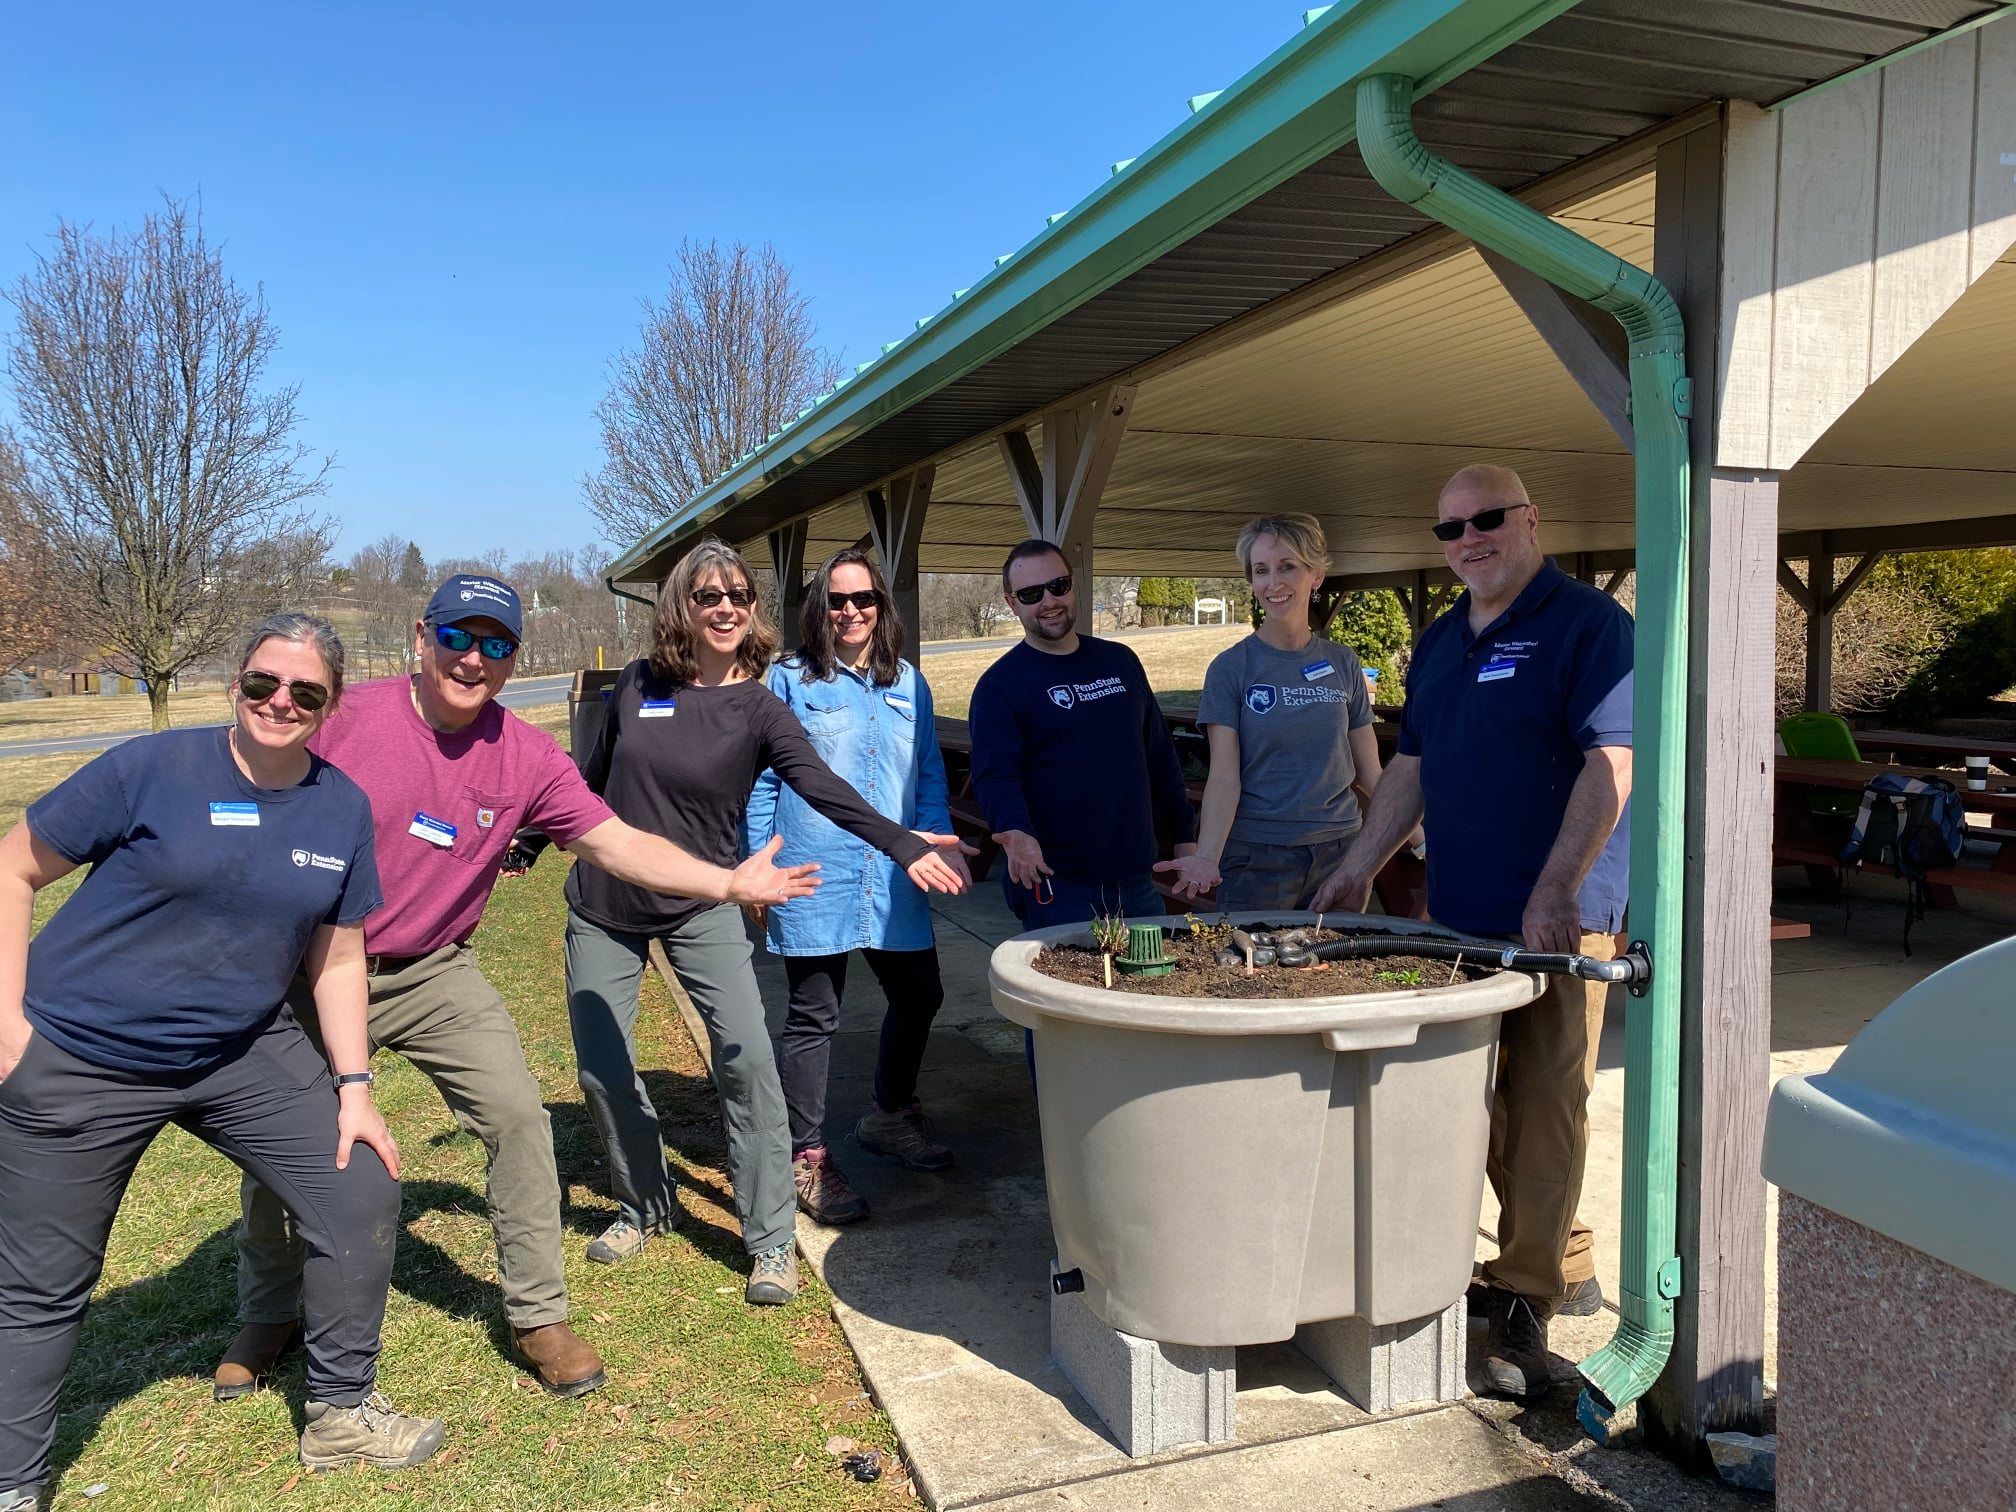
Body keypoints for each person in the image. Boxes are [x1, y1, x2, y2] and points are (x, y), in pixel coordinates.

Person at [221, 575, 818, 1405]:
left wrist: (723, 883)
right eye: (459, 638)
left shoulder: (528, 757)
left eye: (496, 645)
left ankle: (538, 1314)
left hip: (432, 969)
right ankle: (269, 1311)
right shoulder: (349, 714)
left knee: (517, 1118)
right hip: (312, 968)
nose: (474, 659)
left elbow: (616, 843)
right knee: (284, 1139)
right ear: (421, 636)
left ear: (513, 659)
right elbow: (251, 770)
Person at [0, 615, 443, 1500]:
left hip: (240, 1050)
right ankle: (13, 1478)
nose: (281, 702)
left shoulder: (339, 806)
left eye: (305, 693)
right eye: (262, 684)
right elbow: (13, 869)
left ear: (329, 705)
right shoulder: (150, 768)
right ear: (235, 684)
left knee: (359, 1185)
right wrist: (8, 1028)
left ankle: (343, 1413)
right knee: (43, 1284)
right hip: (85, 1052)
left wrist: (354, 1087)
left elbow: (341, 954)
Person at [563, 539, 970, 1305]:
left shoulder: (760, 703)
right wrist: (522, 835)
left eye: (739, 596)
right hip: (607, 900)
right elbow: (590, 782)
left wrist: (903, 840)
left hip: (704, 899)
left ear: (753, 609)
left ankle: (771, 1237)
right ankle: (644, 1202)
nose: (724, 608)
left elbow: (822, 785)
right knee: (603, 1067)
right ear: (682, 604)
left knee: (748, 1060)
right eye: (708, 595)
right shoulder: (638, 684)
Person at [1313, 464, 1633, 1400]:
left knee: (1545, 1105)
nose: (1470, 540)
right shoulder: (1442, 641)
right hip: (1459, 914)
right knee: (1465, 1104)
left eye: (1488, 519)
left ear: (1531, 519)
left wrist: (1557, 884)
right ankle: (1542, 1253)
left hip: (1558, 920)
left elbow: (1611, 761)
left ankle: (1528, 1296)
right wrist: (1359, 863)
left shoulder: (1588, 625)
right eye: (1450, 528)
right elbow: (1410, 766)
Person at [744, 549, 966, 1226]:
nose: (850, 613)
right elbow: (761, 780)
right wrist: (758, 865)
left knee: (919, 992)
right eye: (837, 601)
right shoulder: (788, 681)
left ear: (881, 606)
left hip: (894, 873)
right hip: (816, 870)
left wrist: (933, 836)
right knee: (815, 1014)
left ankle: (889, 1116)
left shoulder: (910, 685)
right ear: (819, 607)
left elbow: (927, 768)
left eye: (863, 599)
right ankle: (806, 1158)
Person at [1157, 513, 1398, 910]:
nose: (1274, 583)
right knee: (1255, 971)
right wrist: (1207, 856)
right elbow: (1223, 777)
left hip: (1342, 854)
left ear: (1316, 575)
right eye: (1261, 570)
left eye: (1288, 566)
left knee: (1338, 971)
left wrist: (1423, 841)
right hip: (1258, 858)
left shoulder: (1343, 662)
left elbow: (1371, 772)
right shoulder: (1232, 667)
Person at [968, 539, 1197, 932]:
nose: (1049, 601)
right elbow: (995, 778)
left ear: (1073, 584)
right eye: (1031, 594)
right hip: (1058, 886)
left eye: (1058, 586)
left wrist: (1185, 838)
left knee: (1150, 990)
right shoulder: (1000, 686)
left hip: (1137, 880)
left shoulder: (1120, 661)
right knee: (1071, 995)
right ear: (1012, 603)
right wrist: (1017, 834)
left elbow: (1160, 757)